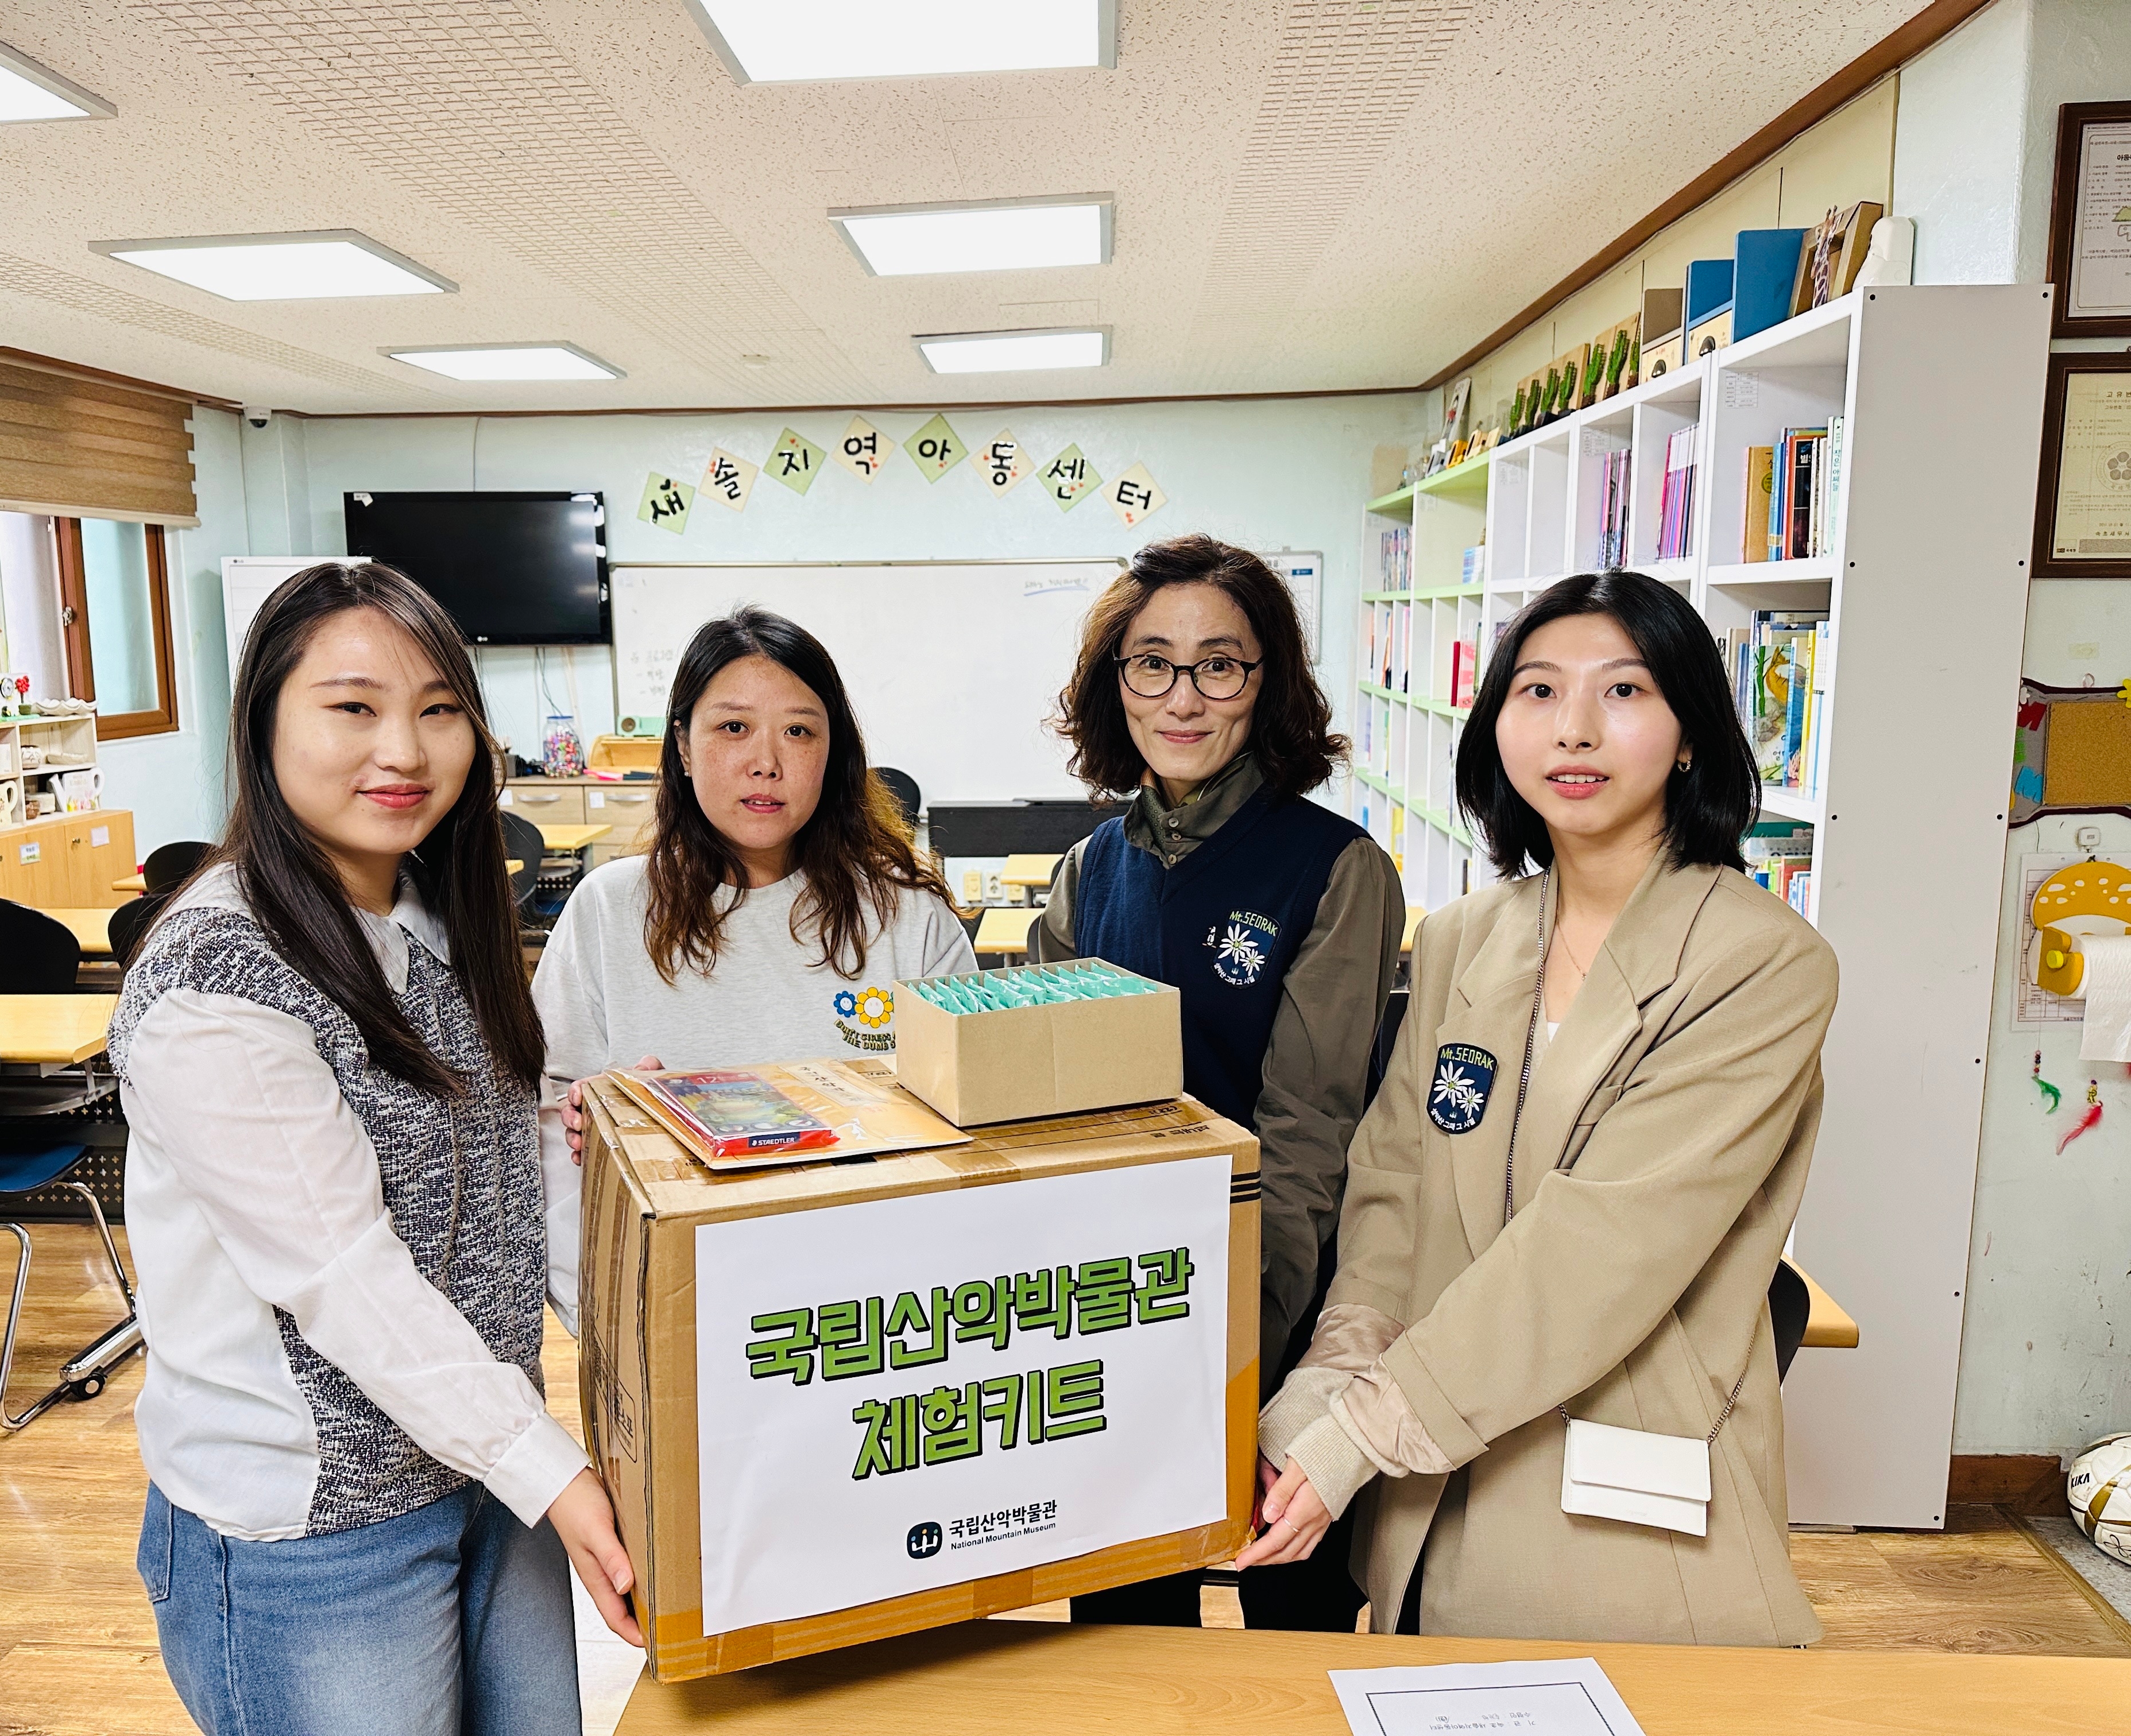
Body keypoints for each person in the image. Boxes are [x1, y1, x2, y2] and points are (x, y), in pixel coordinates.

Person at [1236, 569, 1839, 1645]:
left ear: (1690, 732)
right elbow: (1391, 1203)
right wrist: (1314, 1401)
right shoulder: (1467, 933)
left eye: (1622, 692)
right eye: (1537, 690)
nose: (1573, 728)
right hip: (1425, 1493)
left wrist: (1355, 1436)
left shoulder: (1762, 963)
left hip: (1618, 1512)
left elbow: (1591, 1252)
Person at [111, 561, 640, 1736]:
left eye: (438, 709)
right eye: (352, 708)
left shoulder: (438, 920)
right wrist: (556, 1474)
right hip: (320, 1529)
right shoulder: (220, 976)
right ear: (265, 724)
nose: (402, 749)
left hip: (485, 1467)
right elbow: (345, 1280)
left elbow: (507, 1183)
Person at [1033, 532, 1404, 1631]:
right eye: (1151, 661)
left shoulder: (1336, 870)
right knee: (1121, 1631)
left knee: (1294, 1630)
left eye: (1220, 663)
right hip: (1117, 1312)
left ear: (1266, 680)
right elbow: (1046, 1117)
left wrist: (1242, 1374)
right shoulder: (1089, 867)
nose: (1182, 695)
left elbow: (1306, 1143)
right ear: (1116, 682)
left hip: (1279, 1322)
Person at [542, 605, 974, 1164]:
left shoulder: (910, 917)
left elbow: (967, 1117)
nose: (765, 763)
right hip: (678, 1242)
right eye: (734, 728)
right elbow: (549, 1119)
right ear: (684, 747)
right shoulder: (607, 908)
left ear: (831, 751)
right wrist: (591, 1111)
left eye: (798, 731)